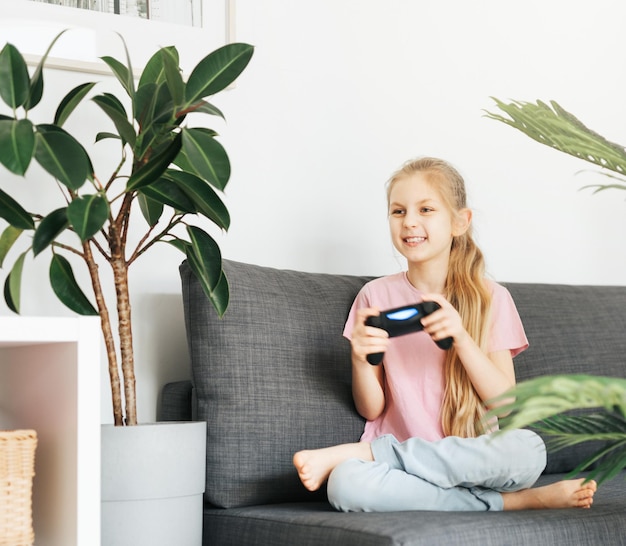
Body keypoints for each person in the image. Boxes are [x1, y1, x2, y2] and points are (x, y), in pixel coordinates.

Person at [293, 157, 597, 512]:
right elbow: (371, 408)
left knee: (529, 450)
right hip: (402, 467)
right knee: (345, 484)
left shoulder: (491, 298)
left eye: (425, 209)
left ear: (459, 222)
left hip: (467, 460)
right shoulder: (374, 297)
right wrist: (360, 360)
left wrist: (462, 340)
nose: (410, 222)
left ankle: (368, 454)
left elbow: (507, 404)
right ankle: (511, 503)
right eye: (398, 211)